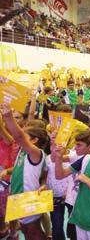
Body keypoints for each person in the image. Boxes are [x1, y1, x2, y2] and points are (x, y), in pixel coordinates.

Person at [0, 103, 48, 240]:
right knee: (27, 231)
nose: (21, 135)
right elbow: (22, 168)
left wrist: (8, 116)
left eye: (26, 135)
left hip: (28, 198)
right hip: (19, 196)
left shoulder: (36, 153)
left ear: (34, 140)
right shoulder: (24, 152)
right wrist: (8, 172)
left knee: (33, 231)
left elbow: (19, 136)